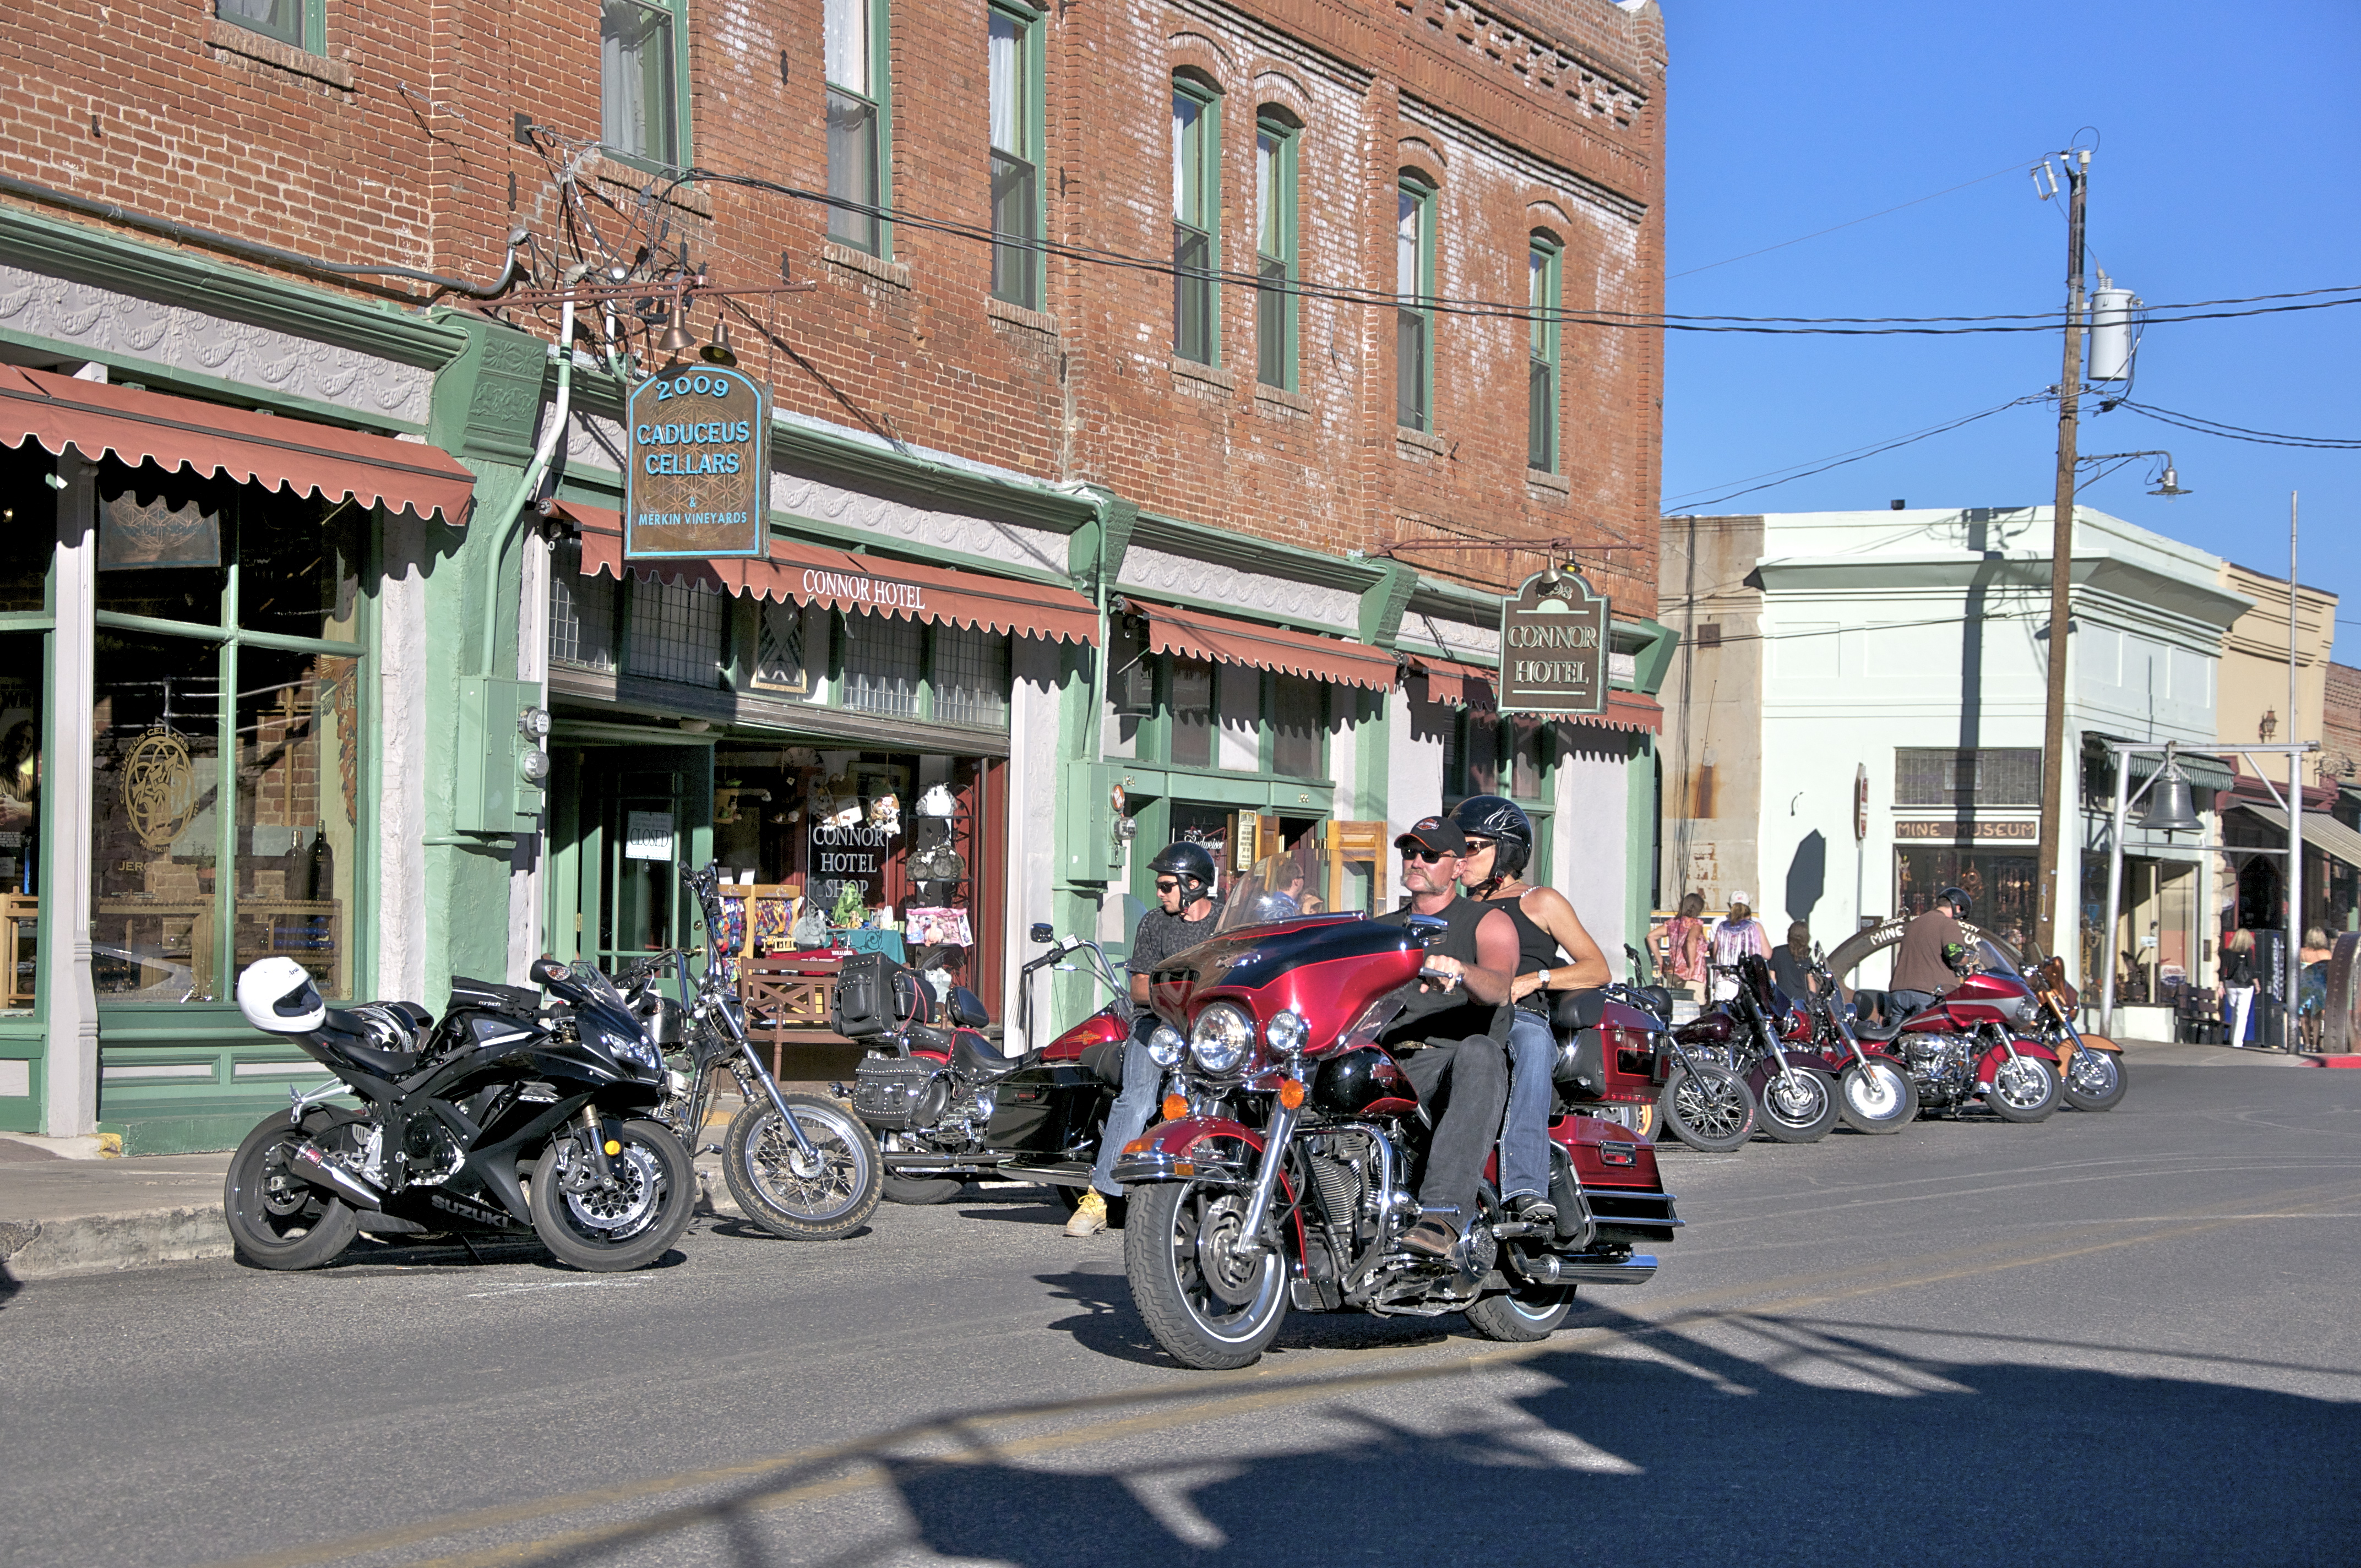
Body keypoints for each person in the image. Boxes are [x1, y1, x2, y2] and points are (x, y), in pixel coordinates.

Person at [1450, 794, 1609, 1225]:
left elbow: (1597, 969)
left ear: (1505, 851)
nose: (1460, 859)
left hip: (1520, 1015)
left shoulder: (1539, 902)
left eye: (1472, 847)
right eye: (1456, 848)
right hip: (1457, 1013)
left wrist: (1534, 980)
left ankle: (1525, 1186)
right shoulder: (1452, 906)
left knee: (1534, 1047)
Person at [1372, 815, 1517, 1260]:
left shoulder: (1485, 920)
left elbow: (1499, 986)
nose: (1416, 861)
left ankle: (1441, 1214)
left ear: (1457, 867)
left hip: (1448, 1061)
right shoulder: (1383, 929)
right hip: (1386, 1059)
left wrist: (1461, 970)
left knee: (1480, 1052)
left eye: (1430, 855)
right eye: (1410, 852)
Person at [1065, 840, 1223, 1237]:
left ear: (1194, 886)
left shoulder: (1225, 922)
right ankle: (1101, 1197)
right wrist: (1183, 993)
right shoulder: (1154, 923)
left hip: (1212, 1028)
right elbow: (1139, 987)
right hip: (1158, 1025)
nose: (1159, 893)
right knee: (1135, 1100)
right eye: (1160, 885)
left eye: (1167, 886)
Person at [1887, 886, 1969, 1021]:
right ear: (1958, 908)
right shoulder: (1948, 924)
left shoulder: (1915, 923)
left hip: (1899, 992)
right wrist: (1967, 961)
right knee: (1926, 1039)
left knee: (1896, 1040)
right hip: (1927, 993)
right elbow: (1956, 955)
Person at [1709, 892, 1769, 1001]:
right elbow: (1767, 954)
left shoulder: (1721, 925)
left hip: (1725, 979)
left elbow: (1715, 954)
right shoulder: (1756, 925)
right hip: (1747, 980)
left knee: (1724, 1014)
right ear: (1749, 907)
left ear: (1730, 907)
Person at [1660, 892, 1709, 999]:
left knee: (1675, 1008)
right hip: (1693, 975)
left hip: (1674, 973)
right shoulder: (1695, 924)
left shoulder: (1672, 923)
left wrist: (1661, 963)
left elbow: (1651, 937)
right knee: (1694, 1007)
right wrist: (1692, 967)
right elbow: (1691, 940)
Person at [2221, 927, 2257, 1048]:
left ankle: (2232, 1038)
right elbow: (2251, 969)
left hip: (2230, 985)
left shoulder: (2226, 952)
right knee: (2242, 1015)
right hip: (2245, 986)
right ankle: (2237, 1043)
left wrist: (2221, 983)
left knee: (2234, 1012)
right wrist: (2256, 984)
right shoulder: (2248, 952)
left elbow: (2222, 970)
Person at [1770, 920, 1815, 1000]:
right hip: (1801, 1001)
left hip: (1782, 999)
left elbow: (1772, 978)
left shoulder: (1777, 951)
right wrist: (1814, 1001)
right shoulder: (1808, 954)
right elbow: (1811, 982)